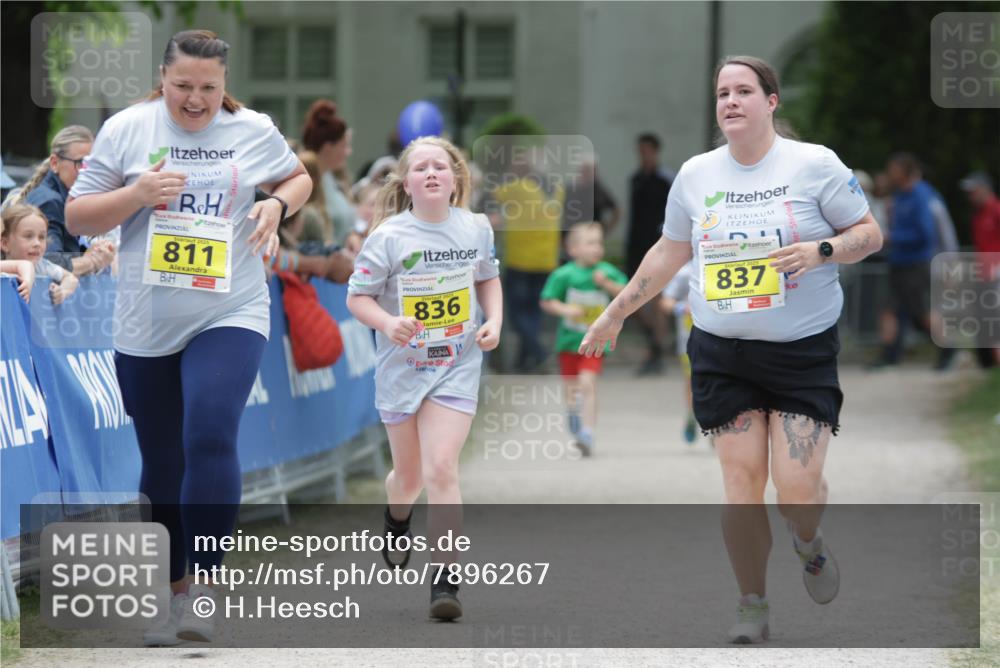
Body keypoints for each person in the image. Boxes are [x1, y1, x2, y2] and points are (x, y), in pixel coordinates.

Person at [580, 55, 883, 644]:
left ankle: (807, 540)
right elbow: (668, 253)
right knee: (741, 480)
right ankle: (752, 602)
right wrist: (615, 314)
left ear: (772, 101)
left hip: (800, 351)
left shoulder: (814, 165)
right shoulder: (695, 175)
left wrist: (820, 250)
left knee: (796, 492)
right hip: (722, 350)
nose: (731, 102)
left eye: (745, 90)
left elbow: (869, 234)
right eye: (723, 93)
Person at [64, 29, 312, 646]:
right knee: (162, 458)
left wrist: (278, 207)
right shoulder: (129, 128)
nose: (195, 100)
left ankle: (203, 585)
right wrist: (136, 195)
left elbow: (298, 177)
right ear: (163, 77)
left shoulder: (251, 129)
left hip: (231, 304)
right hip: (147, 318)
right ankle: (171, 592)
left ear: (224, 85)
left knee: (208, 427)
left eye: (208, 88)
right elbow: (75, 215)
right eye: (183, 87)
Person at [346, 136, 502, 620]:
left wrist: (494, 319)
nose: (432, 173)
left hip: (456, 363)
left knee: (441, 469)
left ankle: (445, 581)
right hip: (403, 368)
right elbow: (358, 298)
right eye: (421, 168)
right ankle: (397, 515)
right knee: (408, 478)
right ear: (407, 183)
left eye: (441, 166)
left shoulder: (474, 227)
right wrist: (389, 323)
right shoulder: (389, 236)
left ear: (455, 180)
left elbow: (486, 278)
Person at [539, 222, 626, 456]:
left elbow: (627, 293)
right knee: (572, 389)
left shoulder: (606, 271)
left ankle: (588, 432)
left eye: (599, 243)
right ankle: (573, 412)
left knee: (588, 383)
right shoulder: (564, 274)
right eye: (590, 243)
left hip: (595, 343)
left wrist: (606, 284)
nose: (597, 248)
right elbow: (547, 300)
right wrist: (566, 311)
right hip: (568, 341)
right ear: (573, 249)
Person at [487, 145, 563, 372]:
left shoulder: (518, 187)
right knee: (533, 312)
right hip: (547, 259)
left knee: (518, 312)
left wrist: (513, 171)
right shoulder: (557, 188)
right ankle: (525, 361)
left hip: (521, 259)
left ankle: (538, 351)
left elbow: (494, 193)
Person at [874, 152, 952, 369]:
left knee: (922, 311)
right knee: (889, 309)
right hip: (897, 261)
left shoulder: (921, 195)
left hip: (916, 263)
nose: (890, 174)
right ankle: (889, 355)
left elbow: (926, 234)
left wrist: (892, 237)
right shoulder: (899, 196)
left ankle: (948, 349)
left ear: (904, 172)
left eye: (893, 170)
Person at [10, 125, 116, 276]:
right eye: (80, 163)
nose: (87, 172)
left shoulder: (64, 199)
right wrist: (91, 261)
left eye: (92, 165)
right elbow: (48, 264)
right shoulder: (50, 202)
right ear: (54, 163)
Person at [627, 132, 675, 375]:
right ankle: (654, 342)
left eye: (647, 150)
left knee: (657, 300)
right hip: (636, 246)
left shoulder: (666, 179)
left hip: (659, 245)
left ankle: (656, 350)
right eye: (640, 150)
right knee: (633, 300)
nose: (643, 154)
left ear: (655, 151)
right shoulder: (635, 179)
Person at [301, 100, 356, 245]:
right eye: (343, 146)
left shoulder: (330, 178)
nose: (348, 152)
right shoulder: (307, 180)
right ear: (328, 147)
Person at [960, 171, 1000, 368]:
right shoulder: (977, 215)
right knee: (982, 318)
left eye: (974, 192)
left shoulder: (996, 211)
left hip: (996, 275)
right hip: (983, 275)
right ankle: (987, 364)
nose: (970, 197)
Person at [1, 204, 79, 305]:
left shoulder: (42, 266)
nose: (37, 243)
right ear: (5, 244)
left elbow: (71, 278)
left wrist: (62, 291)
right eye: (28, 236)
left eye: (42, 237)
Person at [659, 260, 698, 444]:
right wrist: (683, 308)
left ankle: (717, 423)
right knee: (693, 381)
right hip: (689, 340)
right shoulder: (685, 273)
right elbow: (666, 302)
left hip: (722, 338)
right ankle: (691, 415)